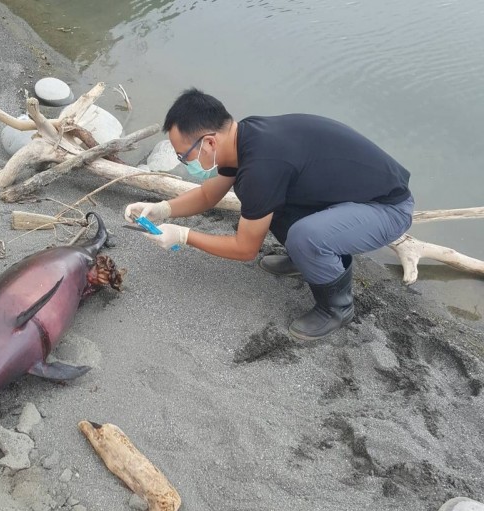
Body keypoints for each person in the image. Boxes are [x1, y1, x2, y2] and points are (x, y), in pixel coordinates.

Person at [125, 89, 414, 340]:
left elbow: (245, 249)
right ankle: (308, 259)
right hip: (350, 198)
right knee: (263, 203)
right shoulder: (245, 137)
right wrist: (162, 209)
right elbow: (208, 194)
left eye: (183, 155)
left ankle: (337, 308)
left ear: (210, 142)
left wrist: (184, 236)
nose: (183, 161)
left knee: (305, 236)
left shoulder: (262, 167)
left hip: (387, 208)